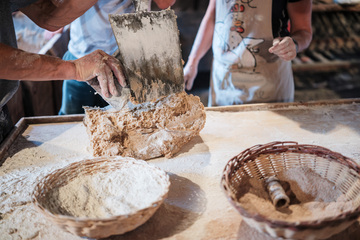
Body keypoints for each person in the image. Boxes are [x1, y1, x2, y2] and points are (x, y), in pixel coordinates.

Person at [0, 0, 174, 143]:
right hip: (81, 57)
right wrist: (74, 68)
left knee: (136, 131)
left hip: (126, 60)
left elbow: (48, 16)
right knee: (72, 129)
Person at [183, 0, 313, 107]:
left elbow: (304, 30)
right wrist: (193, 62)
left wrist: (294, 44)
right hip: (223, 81)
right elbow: (212, 17)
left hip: (267, 85)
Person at [59, 0, 175, 115]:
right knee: (71, 121)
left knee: (136, 122)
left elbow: (165, 3)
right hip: (81, 58)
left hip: (129, 59)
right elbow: (56, 12)